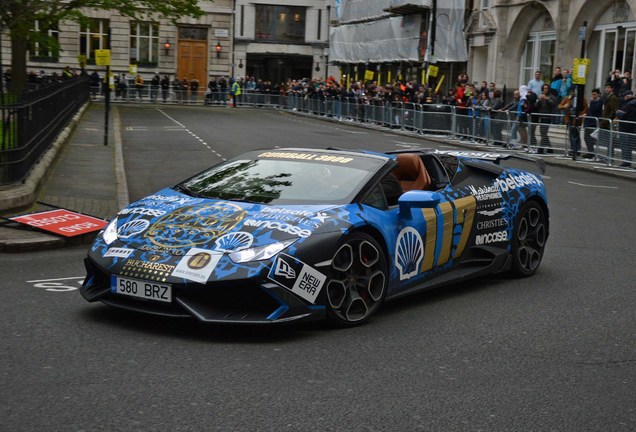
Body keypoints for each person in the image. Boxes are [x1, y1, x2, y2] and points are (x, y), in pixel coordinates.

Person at [558, 86, 588, 157]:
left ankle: (577, 150)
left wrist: (581, 115)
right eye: (571, 91)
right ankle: (572, 149)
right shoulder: (568, 98)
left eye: (573, 91)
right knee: (571, 135)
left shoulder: (581, 98)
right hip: (569, 119)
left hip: (577, 119)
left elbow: (586, 107)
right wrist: (564, 106)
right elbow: (559, 106)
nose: (572, 93)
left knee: (576, 135)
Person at [615, 90, 636, 167]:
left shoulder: (629, 105)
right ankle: (627, 161)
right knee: (630, 146)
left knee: (625, 145)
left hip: (625, 127)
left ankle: (626, 161)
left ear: (627, 96)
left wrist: (618, 112)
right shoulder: (632, 104)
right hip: (632, 128)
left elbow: (624, 116)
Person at [534, 84, 557, 153]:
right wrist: (539, 100)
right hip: (541, 116)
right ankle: (550, 148)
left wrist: (546, 99)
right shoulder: (540, 96)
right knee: (543, 133)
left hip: (548, 117)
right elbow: (536, 106)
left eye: (546, 88)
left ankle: (540, 149)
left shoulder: (551, 97)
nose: (545, 90)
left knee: (544, 132)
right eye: (544, 88)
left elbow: (553, 105)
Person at [582, 88, 603, 158]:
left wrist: (592, 102)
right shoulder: (592, 101)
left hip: (594, 122)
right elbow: (589, 110)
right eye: (592, 94)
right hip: (588, 121)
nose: (593, 96)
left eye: (595, 94)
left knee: (591, 138)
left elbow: (594, 109)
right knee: (586, 137)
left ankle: (592, 153)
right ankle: (590, 152)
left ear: (598, 94)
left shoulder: (599, 101)